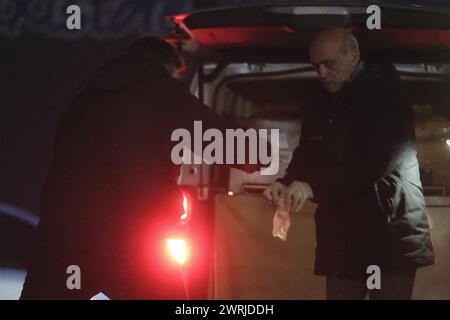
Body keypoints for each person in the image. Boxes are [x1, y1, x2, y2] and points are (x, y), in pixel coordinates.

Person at [21, 36, 258, 299]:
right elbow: (213, 137)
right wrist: (263, 152)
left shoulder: (84, 101)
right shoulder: (161, 92)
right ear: (170, 66)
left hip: (62, 238)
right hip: (131, 241)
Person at [264, 27, 435, 300]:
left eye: (329, 64)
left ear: (353, 56)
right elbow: (307, 153)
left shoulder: (387, 96)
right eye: (316, 66)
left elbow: (375, 161)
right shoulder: (319, 105)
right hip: (342, 239)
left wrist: (311, 187)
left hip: (389, 235)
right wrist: (284, 183)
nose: (321, 73)